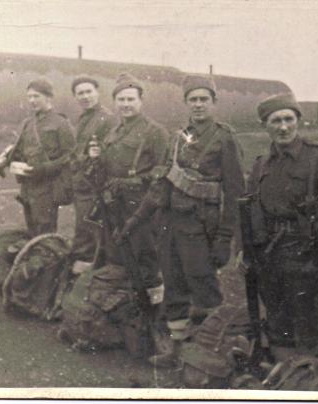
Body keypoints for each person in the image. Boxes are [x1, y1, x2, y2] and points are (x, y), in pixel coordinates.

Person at [116, 75, 245, 367]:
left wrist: (226, 239)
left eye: (204, 99)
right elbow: (160, 186)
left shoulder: (224, 139)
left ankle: (212, 355)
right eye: (193, 99)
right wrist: (135, 221)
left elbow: (236, 193)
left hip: (200, 228)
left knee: (203, 288)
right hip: (168, 226)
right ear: (186, 103)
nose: (198, 105)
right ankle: (176, 351)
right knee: (174, 287)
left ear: (214, 103)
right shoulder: (177, 139)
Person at [246, 92, 318, 361]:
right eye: (275, 121)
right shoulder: (261, 164)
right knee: (277, 320)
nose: (283, 127)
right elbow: (249, 211)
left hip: (305, 257)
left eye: (288, 119)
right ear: (266, 126)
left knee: (311, 323)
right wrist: (246, 250)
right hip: (269, 257)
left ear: (298, 121)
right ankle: (286, 377)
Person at [98, 72, 168, 309]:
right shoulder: (114, 132)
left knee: (145, 255)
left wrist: (135, 183)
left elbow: (163, 172)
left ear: (141, 101)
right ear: (115, 102)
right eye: (121, 100)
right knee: (118, 253)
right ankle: (126, 308)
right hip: (114, 203)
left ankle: (154, 311)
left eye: (130, 99)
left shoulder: (155, 132)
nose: (125, 105)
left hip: (142, 204)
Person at [0, 78, 76, 236]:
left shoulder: (60, 123)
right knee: (31, 227)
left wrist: (45, 168)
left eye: (36, 96)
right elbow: (19, 150)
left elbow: (71, 156)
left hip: (48, 185)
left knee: (45, 229)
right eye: (29, 96)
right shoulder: (27, 123)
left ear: (48, 97)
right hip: (27, 183)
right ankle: (34, 258)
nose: (32, 100)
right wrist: (4, 163)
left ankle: (46, 258)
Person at [69, 75, 117, 269]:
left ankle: (83, 272)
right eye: (80, 93)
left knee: (88, 228)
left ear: (97, 93)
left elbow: (110, 153)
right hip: (81, 182)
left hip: (94, 183)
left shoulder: (107, 118)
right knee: (85, 227)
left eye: (89, 91)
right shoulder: (84, 118)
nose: (85, 96)